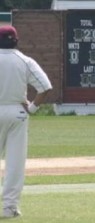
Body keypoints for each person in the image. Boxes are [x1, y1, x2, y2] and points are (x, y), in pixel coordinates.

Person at [0, 25, 52, 218]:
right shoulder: (25, 60)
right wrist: (31, 108)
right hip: (17, 112)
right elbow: (45, 87)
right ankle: (9, 207)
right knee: (15, 162)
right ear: (16, 40)